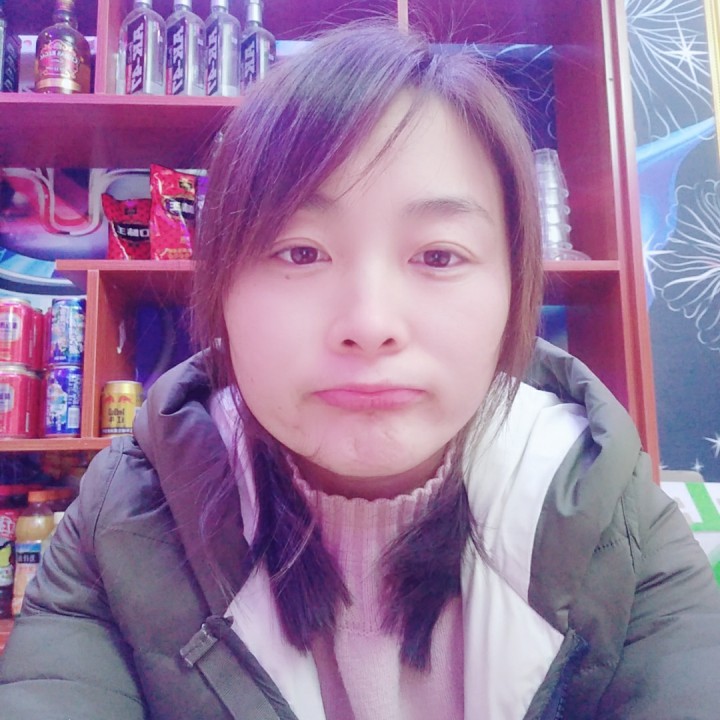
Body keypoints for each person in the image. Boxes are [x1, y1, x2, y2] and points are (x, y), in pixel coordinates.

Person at [1, 20, 720, 720]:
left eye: (438, 255)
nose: (370, 323)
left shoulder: (608, 514)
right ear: (220, 290)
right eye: (300, 252)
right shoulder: (125, 518)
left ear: (514, 287)